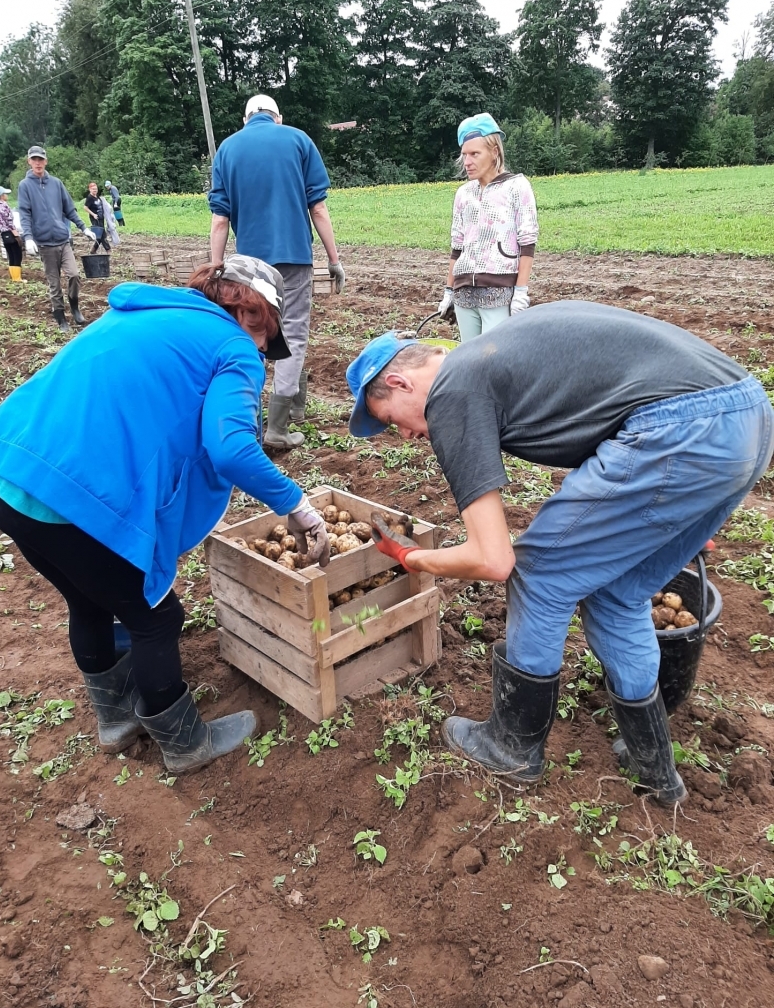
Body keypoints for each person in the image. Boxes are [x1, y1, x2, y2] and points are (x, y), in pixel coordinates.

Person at [346, 303, 774, 806]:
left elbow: (495, 560)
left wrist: (415, 559)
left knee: (538, 573)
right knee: (618, 594)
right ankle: (653, 766)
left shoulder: (453, 391)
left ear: (399, 383)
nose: (406, 436)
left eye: (391, 422)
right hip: (747, 418)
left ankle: (512, 747)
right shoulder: (494, 358)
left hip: (681, 433)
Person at [0, 254, 331, 776]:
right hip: (67, 490)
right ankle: (184, 744)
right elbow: (229, 449)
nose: (261, 352)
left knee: (87, 597)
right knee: (155, 617)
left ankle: (115, 720)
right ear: (255, 317)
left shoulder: (141, 314)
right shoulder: (233, 347)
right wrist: (299, 506)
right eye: (265, 337)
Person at [209, 93, 346, 449]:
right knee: (294, 332)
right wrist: (334, 259)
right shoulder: (299, 139)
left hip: (249, 267)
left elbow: (220, 219)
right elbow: (318, 208)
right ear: (278, 117)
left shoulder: (227, 149)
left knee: (251, 334)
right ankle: (279, 427)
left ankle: (264, 416)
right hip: (294, 258)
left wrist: (216, 268)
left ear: (246, 119)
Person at [438, 113, 538, 344]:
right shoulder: (464, 194)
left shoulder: (516, 187)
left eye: (475, 154)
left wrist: (521, 291)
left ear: (494, 152)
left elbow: (528, 242)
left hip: (499, 291)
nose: (467, 162)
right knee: (469, 359)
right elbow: (457, 246)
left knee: (494, 359)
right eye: (464, 155)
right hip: (464, 292)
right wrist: (449, 291)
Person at [17, 145, 94, 332]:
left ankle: (75, 307)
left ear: (46, 161)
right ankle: (61, 318)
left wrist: (84, 227)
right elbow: (25, 213)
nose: (38, 163)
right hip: (44, 243)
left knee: (74, 275)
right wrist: (28, 238)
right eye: (34, 159)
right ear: (29, 161)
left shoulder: (56, 183)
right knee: (54, 283)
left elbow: (69, 209)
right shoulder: (25, 186)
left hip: (62, 239)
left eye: (41, 159)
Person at [0, 186, 24, 281]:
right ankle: (17, 278)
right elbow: (9, 221)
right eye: (5, 194)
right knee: (17, 254)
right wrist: (16, 234)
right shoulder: (4, 205)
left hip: (3, 234)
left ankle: (14, 277)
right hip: (10, 232)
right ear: (1, 195)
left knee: (11, 255)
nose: (7, 195)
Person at [84, 181, 111, 253]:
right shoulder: (89, 197)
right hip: (95, 218)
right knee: (102, 234)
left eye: (96, 189)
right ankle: (108, 249)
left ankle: (93, 250)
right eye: (93, 189)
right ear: (90, 189)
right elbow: (85, 208)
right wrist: (93, 214)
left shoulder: (97, 196)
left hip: (101, 218)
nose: (95, 190)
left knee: (99, 235)